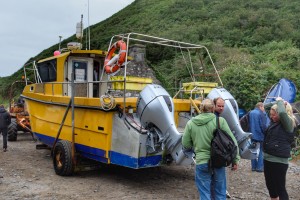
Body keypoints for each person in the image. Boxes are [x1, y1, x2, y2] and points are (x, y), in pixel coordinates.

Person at [182, 99, 240, 200]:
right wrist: (235, 159)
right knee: (220, 192)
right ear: (213, 108)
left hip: (201, 161)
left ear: (200, 109)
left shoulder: (191, 123)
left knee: (204, 193)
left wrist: (196, 146)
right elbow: (232, 141)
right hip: (219, 160)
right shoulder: (220, 121)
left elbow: (185, 144)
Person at [263, 97, 296, 200]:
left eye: (274, 115)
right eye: (271, 115)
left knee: (280, 188)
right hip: (268, 158)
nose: (271, 116)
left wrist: (280, 101)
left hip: (279, 161)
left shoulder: (288, 123)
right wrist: (276, 102)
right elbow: (265, 107)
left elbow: (282, 113)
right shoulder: (274, 121)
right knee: (271, 186)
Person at [249, 102, 267, 172]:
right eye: (263, 107)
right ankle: (259, 167)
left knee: (253, 150)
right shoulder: (261, 113)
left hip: (252, 134)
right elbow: (263, 125)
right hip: (260, 135)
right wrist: (266, 133)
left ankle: (253, 167)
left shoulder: (251, 113)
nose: (264, 109)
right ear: (260, 106)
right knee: (262, 150)